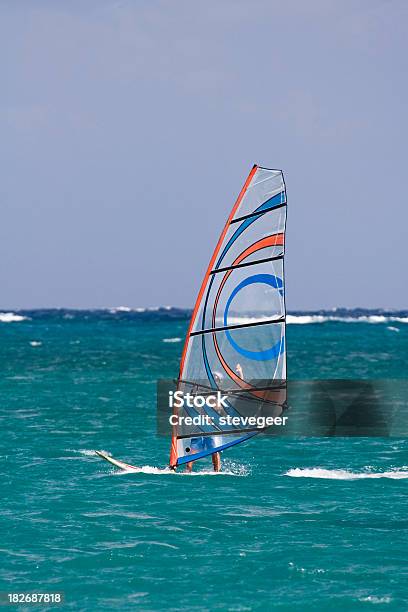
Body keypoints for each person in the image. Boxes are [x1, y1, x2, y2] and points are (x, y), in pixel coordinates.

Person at [186, 371, 225, 472]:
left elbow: (240, 390)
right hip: (200, 426)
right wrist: (193, 389)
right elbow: (191, 400)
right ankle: (188, 470)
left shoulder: (221, 396)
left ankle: (216, 471)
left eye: (216, 380)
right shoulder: (204, 393)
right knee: (194, 448)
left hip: (213, 428)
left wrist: (240, 374)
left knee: (214, 451)